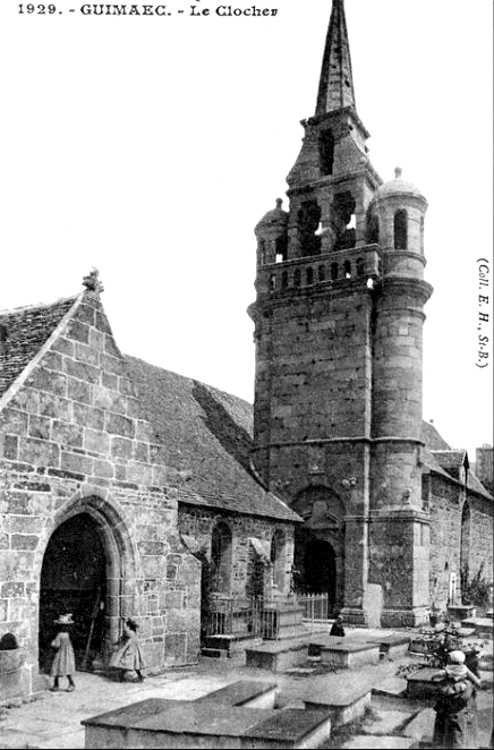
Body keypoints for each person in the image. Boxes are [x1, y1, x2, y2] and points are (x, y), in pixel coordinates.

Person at [431, 650, 479, 748]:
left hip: (450, 698)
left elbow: (440, 674)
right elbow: (476, 680)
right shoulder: (465, 670)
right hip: (461, 701)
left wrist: (433, 677)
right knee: (458, 729)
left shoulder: (449, 670)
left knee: (447, 726)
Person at [109, 618, 146, 682]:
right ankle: (123, 676)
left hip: (130, 651)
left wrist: (124, 623)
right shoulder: (130, 633)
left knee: (126, 662)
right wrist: (117, 642)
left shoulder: (131, 633)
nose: (125, 629)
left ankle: (136, 677)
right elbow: (123, 637)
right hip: (130, 650)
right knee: (128, 664)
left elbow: (126, 632)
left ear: (129, 627)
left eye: (127, 626)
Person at [50, 613, 76, 692]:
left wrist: (52, 643)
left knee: (56, 668)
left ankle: (56, 685)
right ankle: (70, 683)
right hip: (67, 653)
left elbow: (57, 645)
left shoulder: (60, 635)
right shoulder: (67, 634)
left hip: (60, 653)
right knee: (67, 668)